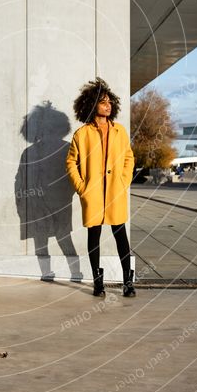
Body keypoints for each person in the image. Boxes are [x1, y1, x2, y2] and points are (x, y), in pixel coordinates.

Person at [65, 78, 136, 297]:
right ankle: (98, 283)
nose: (108, 105)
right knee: (93, 237)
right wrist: (81, 188)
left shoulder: (119, 131)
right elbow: (70, 163)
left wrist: (124, 180)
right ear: (92, 104)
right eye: (103, 102)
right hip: (93, 194)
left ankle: (128, 282)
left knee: (121, 236)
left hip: (115, 192)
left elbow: (129, 157)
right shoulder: (82, 134)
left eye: (109, 102)